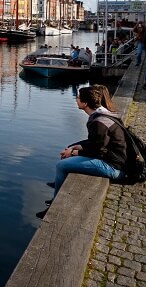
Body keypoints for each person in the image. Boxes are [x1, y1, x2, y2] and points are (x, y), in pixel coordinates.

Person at [38, 86, 126, 219]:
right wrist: (75, 147)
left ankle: (54, 208)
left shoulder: (98, 122)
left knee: (61, 165)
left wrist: (73, 153)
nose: (76, 100)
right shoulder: (101, 114)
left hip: (113, 166)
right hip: (113, 159)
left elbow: (98, 151)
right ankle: (58, 190)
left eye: (78, 98)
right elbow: (96, 142)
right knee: (71, 149)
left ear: (85, 103)